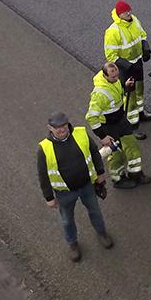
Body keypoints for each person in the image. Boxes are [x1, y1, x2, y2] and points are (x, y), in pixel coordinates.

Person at [37, 111, 113, 262]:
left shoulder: (81, 133)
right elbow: (43, 175)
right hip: (65, 194)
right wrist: (49, 198)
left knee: (95, 211)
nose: (61, 129)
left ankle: (102, 233)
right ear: (50, 128)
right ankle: (72, 244)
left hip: (87, 186)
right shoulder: (44, 148)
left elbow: (94, 153)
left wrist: (100, 173)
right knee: (67, 220)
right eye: (57, 127)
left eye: (63, 125)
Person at [86, 61, 151, 189]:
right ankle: (118, 178)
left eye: (117, 75)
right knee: (116, 154)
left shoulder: (114, 81)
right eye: (113, 77)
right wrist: (103, 136)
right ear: (105, 76)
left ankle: (135, 174)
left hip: (120, 121)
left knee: (132, 146)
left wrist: (125, 86)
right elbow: (91, 117)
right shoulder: (99, 94)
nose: (116, 78)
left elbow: (117, 91)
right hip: (109, 127)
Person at [104, 0, 151, 139]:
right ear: (120, 15)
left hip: (137, 61)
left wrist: (145, 47)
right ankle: (132, 125)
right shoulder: (113, 31)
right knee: (130, 97)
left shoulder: (134, 21)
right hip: (125, 68)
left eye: (130, 11)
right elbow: (111, 55)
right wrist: (126, 65)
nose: (129, 13)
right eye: (126, 12)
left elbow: (142, 34)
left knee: (139, 89)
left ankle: (141, 112)